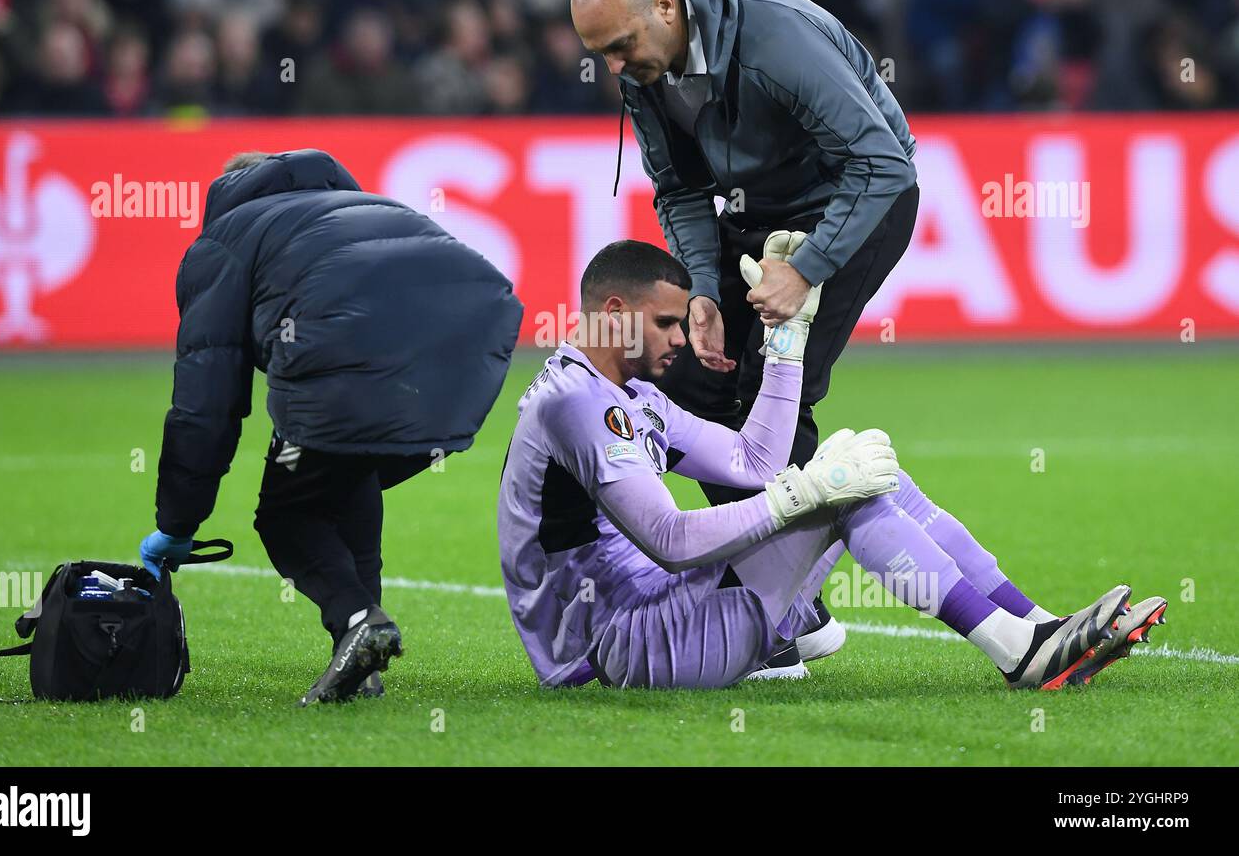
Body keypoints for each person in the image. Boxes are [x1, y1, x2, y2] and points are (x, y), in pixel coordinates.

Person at [496, 240, 1166, 690]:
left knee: (873, 475)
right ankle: (1019, 655)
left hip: (658, 614)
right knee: (839, 494)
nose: (682, 337)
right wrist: (799, 495)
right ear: (615, 313)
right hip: (617, 648)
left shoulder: (628, 396)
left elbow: (752, 460)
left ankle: (1037, 626)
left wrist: (786, 345)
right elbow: (670, 541)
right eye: (668, 323)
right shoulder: (578, 405)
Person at [140, 149, 523, 705]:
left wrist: (177, 522)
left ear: (227, 194)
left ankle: (358, 622)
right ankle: (360, 659)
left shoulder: (226, 239)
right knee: (344, 474)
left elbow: (208, 398)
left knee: (288, 513)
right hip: (462, 346)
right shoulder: (360, 206)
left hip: (342, 351)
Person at [569, 0, 920, 507]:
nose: (612, 67)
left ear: (665, 6)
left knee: (775, 384)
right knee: (682, 377)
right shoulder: (645, 67)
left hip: (853, 202)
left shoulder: (775, 37)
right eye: (599, 53)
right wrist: (702, 290)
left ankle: (787, 588)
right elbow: (680, 189)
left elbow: (882, 164)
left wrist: (805, 270)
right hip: (757, 211)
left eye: (619, 46)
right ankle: (757, 571)